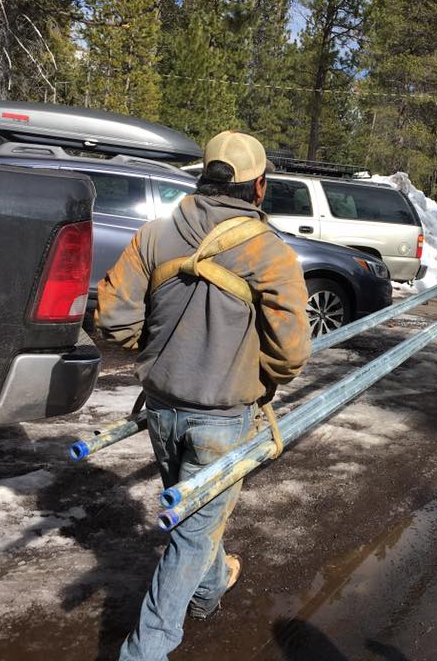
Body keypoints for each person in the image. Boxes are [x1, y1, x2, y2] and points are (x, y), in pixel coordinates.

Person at [97, 130, 312, 660]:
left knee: (196, 518)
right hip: (224, 418)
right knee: (191, 534)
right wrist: (250, 375)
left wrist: (159, 350)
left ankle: (213, 583)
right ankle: (144, 652)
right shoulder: (269, 251)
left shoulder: (153, 235)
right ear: (259, 187)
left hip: (162, 411)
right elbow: (290, 353)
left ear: (204, 175)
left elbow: (112, 320)